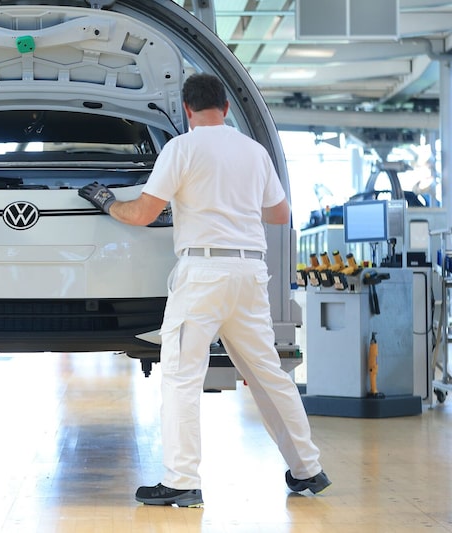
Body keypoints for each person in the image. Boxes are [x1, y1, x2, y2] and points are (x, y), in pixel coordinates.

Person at [78, 73, 330, 508]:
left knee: (181, 376)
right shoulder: (254, 152)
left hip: (203, 274)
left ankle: (181, 481)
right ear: (226, 107)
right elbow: (280, 214)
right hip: (249, 273)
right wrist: (235, 203)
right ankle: (308, 468)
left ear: (187, 110)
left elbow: (142, 214)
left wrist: (107, 202)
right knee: (268, 375)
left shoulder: (182, 148)